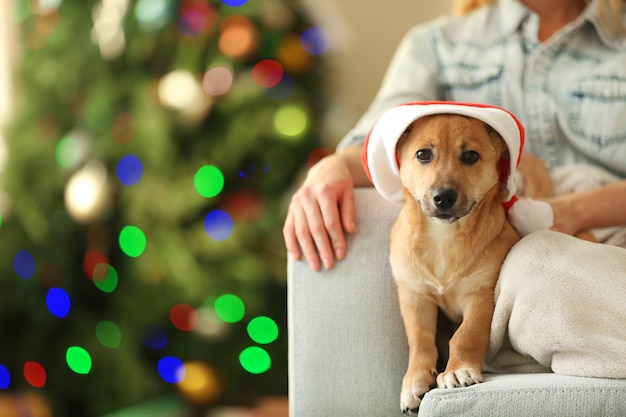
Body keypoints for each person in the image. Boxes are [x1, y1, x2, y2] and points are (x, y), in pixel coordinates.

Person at [283, 0, 626, 272]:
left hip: (612, 235)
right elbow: (380, 142)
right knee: (533, 280)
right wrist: (330, 169)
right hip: (509, 260)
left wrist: (574, 211)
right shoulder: (437, 45)